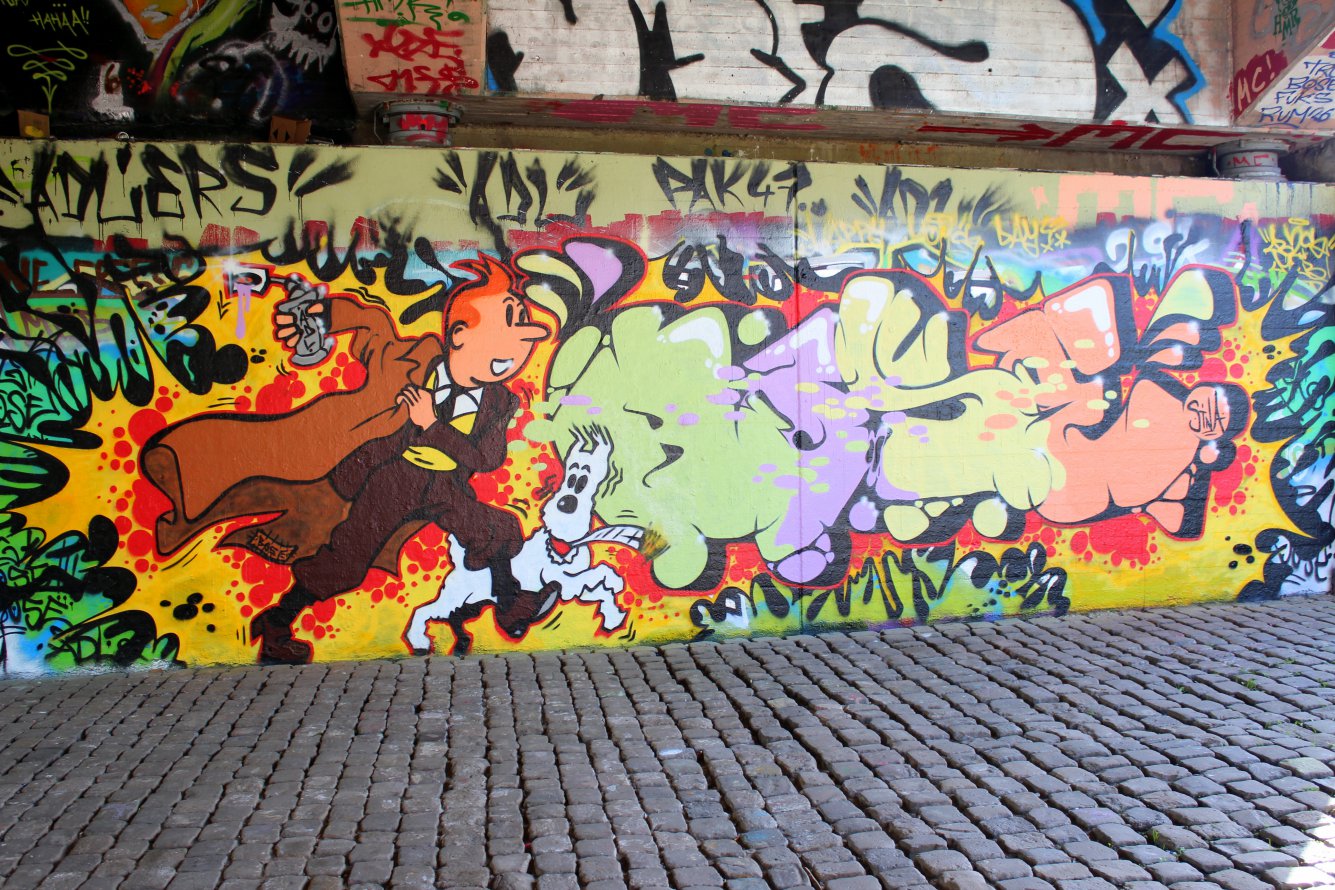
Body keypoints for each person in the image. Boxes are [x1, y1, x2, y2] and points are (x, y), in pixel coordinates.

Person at [141, 255, 552, 664]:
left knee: (496, 528)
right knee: (348, 561)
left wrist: (431, 424)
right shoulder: (413, 362)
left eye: (521, 346)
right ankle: (277, 621)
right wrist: (317, 315)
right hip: (393, 477)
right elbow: (372, 324)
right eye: (505, 341)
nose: (514, 356)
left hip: (447, 486)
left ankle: (510, 603)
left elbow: (487, 458)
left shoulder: (500, 400)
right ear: (459, 336)